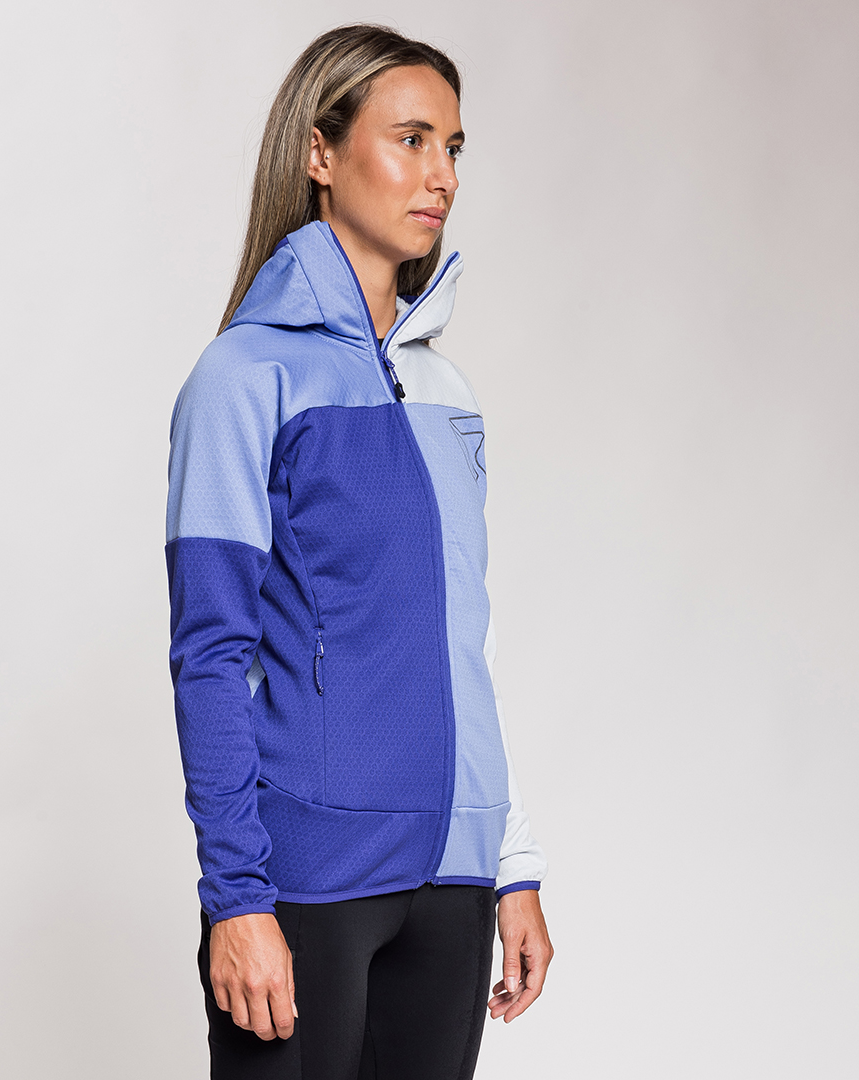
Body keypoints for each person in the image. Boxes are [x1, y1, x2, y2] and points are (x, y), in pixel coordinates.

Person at [166, 23, 552, 1080]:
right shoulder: (244, 380)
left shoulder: (446, 395)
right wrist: (236, 900)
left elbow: (462, 646)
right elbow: (209, 656)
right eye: (411, 139)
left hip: (453, 877)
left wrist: (511, 861)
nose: (441, 176)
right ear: (321, 153)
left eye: (453, 148)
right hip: (308, 880)